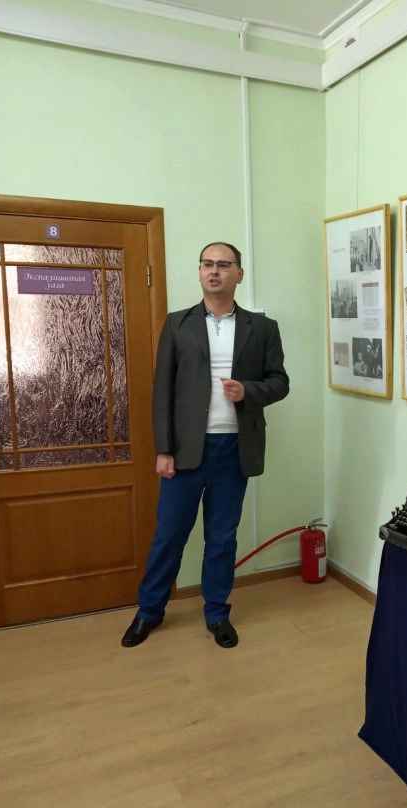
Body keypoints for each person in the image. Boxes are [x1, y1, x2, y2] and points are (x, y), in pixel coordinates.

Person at [121, 242, 289, 650]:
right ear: (199, 272)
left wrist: (247, 391)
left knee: (222, 537)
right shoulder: (177, 324)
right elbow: (162, 391)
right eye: (207, 264)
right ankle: (149, 610)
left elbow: (280, 383)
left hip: (234, 449)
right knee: (169, 535)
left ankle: (216, 612)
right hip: (184, 451)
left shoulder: (262, 328)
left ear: (239, 274)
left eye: (223, 265)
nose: (214, 271)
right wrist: (164, 449)